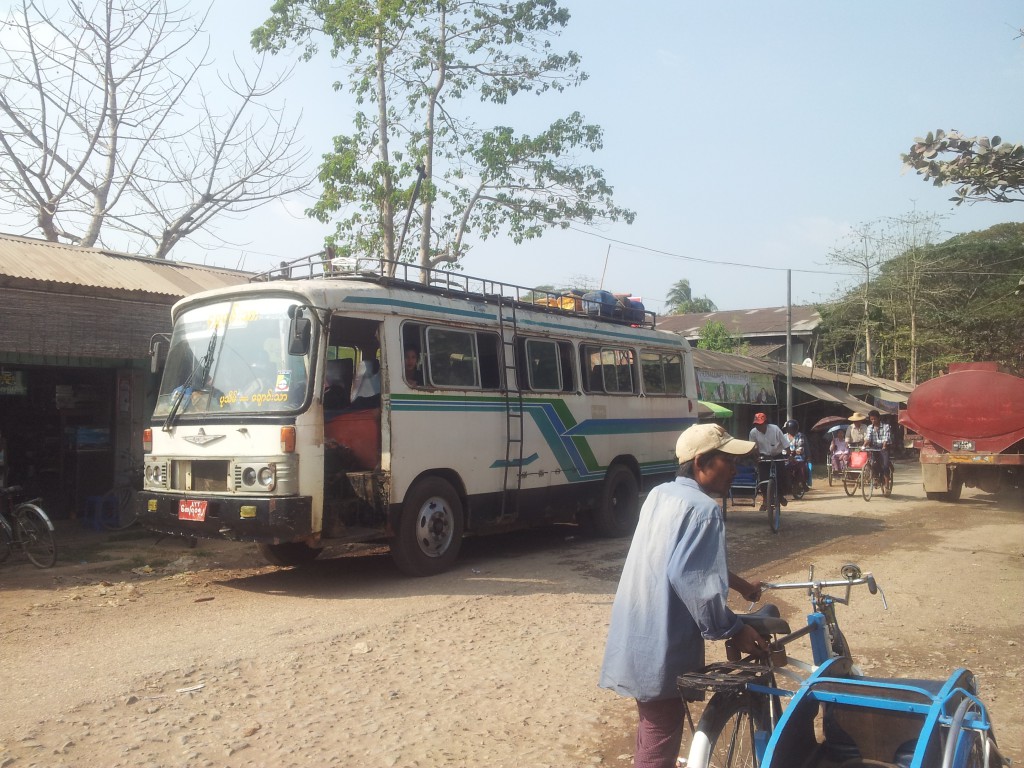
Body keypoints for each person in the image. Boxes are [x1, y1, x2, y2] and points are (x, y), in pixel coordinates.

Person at [599, 423, 767, 768]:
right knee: (660, 740)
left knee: (650, 729)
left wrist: (740, 585)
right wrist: (735, 628)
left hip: (635, 634)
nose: (735, 469)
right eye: (727, 460)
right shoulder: (705, 510)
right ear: (701, 462)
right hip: (663, 642)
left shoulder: (660, 495)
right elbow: (692, 579)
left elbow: (678, 561)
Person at [748, 412, 789, 508]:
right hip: (763, 457)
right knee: (763, 479)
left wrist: (788, 454)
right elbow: (753, 448)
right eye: (756, 424)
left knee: (781, 474)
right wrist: (756, 458)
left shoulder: (775, 429)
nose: (758, 426)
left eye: (760, 424)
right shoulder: (753, 432)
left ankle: (780, 495)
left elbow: (785, 444)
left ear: (765, 422)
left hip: (777, 455)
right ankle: (765, 500)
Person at [782, 418, 809, 490]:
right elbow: (780, 447)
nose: (792, 431)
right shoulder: (783, 437)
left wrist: (794, 452)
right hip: (785, 458)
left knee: (801, 467)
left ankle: (802, 482)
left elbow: (801, 448)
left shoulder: (800, 436)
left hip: (798, 457)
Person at [865, 409, 892, 476]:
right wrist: (864, 445)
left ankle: (886, 483)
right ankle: (876, 478)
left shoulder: (886, 426)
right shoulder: (870, 427)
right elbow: (868, 437)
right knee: (874, 464)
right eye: (871, 419)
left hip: (884, 447)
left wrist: (884, 446)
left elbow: (886, 438)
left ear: (879, 418)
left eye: (875, 419)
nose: (873, 421)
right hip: (874, 447)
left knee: (885, 466)